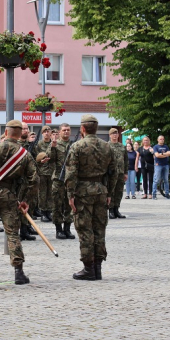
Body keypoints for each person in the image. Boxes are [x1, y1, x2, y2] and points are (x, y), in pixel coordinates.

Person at [65, 114, 117, 281]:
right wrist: (109, 192)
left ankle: (89, 268)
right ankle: (98, 267)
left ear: (82, 129)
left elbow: (71, 173)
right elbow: (115, 172)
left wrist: (70, 194)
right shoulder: (107, 147)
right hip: (101, 191)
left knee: (85, 229)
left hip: (83, 192)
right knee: (99, 229)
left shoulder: (77, 147)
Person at [0, 120, 38, 284]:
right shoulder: (25, 154)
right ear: (19, 134)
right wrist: (25, 200)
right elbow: (34, 180)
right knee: (12, 234)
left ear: (6, 132)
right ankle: (18, 272)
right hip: (10, 196)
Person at [48, 123, 76, 239]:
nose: (66, 132)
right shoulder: (55, 144)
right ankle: (59, 229)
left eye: (68, 130)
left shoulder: (74, 145)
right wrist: (52, 147)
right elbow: (50, 159)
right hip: (58, 179)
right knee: (57, 205)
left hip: (70, 179)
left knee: (69, 204)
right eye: (64, 130)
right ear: (59, 132)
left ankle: (67, 229)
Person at [34, 126, 54, 222]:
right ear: (42, 133)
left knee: (50, 193)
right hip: (42, 171)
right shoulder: (39, 144)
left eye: (48, 131)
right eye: (44, 131)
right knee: (42, 193)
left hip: (51, 171)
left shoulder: (53, 144)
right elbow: (36, 158)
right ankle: (43, 211)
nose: (46, 133)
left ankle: (48, 211)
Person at [108, 128, 128, 218]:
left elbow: (126, 160)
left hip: (120, 172)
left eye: (116, 134)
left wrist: (125, 172)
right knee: (111, 191)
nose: (115, 135)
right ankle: (111, 210)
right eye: (113, 134)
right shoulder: (107, 146)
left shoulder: (122, 146)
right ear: (110, 135)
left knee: (119, 191)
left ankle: (116, 209)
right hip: (111, 173)